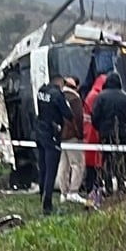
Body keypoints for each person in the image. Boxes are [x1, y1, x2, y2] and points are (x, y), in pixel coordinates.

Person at [91, 72, 126, 196]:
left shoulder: (101, 97)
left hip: (106, 133)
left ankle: (109, 187)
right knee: (121, 159)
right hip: (123, 134)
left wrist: (100, 128)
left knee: (107, 161)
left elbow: (95, 117)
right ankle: (121, 185)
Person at [34, 74, 72, 215]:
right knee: (51, 170)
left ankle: (41, 195)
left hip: (40, 132)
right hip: (52, 134)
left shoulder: (42, 91)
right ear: (60, 82)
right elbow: (68, 114)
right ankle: (47, 203)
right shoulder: (57, 95)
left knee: (43, 168)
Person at [55, 76, 86, 204]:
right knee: (78, 164)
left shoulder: (58, 96)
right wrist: (80, 135)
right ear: (76, 87)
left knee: (63, 165)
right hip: (71, 136)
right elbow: (78, 118)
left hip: (60, 136)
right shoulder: (75, 99)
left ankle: (64, 193)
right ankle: (73, 191)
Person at [80, 74, 107, 199]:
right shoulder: (96, 96)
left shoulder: (91, 94)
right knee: (94, 163)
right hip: (93, 133)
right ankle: (92, 188)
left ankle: (92, 186)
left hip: (88, 132)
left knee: (91, 162)